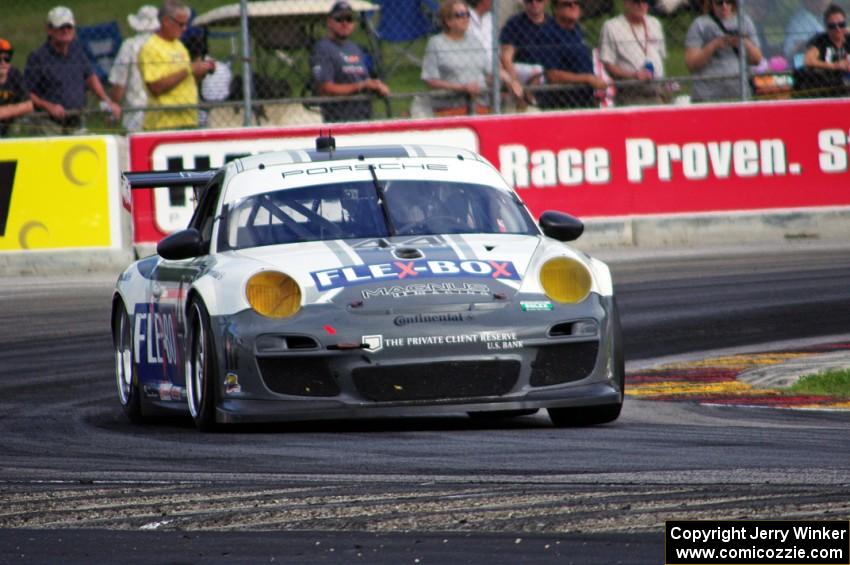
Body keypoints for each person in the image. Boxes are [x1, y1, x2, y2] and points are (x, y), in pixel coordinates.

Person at [24, 6, 121, 134]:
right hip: (49, 123)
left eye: (69, 27)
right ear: (49, 30)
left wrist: (107, 100)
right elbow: (26, 93)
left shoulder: (77, 50)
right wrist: (49, 106)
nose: (65, 31)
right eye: (60, 27)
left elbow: (90, 76)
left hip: (77, 120)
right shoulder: (38, 58)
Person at [421, 0, 522, 116]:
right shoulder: (436, 43)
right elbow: (430, 80)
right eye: (459, 15)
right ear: (448, 21)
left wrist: (511, 81)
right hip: (450, 107)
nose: (465, 18)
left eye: (467, 14)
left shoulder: (474, 41)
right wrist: (462, 88)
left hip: (480, 104)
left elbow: (491, 68)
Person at [138, 0, 215, 130]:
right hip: (164, 123)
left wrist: (200, 72)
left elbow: (187, 81)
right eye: (181, 24)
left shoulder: (179, 46)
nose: (185, 28)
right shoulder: (151, 48)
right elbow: (156, 87)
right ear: (166, 21)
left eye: (186, 24)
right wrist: (189, 69)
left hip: (188, 119)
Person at [310, 1, 390, 123]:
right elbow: (326, 88)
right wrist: (360, 86)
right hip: (338, 120)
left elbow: (365, 80)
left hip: (364, 117)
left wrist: (376, 86)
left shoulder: (356, 48)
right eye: (339, 19)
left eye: (349, 19)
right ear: (329, 22)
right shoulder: (323, 49)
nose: (345, 23)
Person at [684, 0, 762, 103]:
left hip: (740, 94)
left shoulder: (744, 21)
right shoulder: (699, 25)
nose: (724, 6)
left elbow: (757, 59)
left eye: (728, 2)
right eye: (719, 3)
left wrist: (743, 43)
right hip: (707, 96)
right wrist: (713, 46)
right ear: (712, 4)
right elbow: (691, 64)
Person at [538, 0, 605, 109]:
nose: (573, 7)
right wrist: (587, 79)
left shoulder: (577, 30)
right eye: (567, 4)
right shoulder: (549, 33)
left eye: (577, 3)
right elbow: (552, 75)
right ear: (556, 9)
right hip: (561, 103)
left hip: (585, 100)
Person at [599, 0, 668, 106]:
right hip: (631, 95)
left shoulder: (654, 23)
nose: (641, 5)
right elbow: (608, 65)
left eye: (645, 1)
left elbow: (661, 56)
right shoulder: (612, 26)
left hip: (657, 93)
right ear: (626, 3)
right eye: (636, 2)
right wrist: (634, 75)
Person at [109, 5, 159, 132]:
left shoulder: (129, 45)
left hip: (135, 113)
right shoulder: (163, 46)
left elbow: (119, 83)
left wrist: (113, 106)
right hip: (161, 112)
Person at [499, 0, 554, 103]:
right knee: (537, 70)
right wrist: (515, 82)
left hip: (549, 77)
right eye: (529, 1)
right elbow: (506, 58)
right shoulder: (514, 23)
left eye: (539, 0)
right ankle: (527, 98)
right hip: (524, 75)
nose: (534, 3)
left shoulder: (553, 23)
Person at [800, 4, 850, 96]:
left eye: (841, 24)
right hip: (826, 86)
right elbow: (808, 60)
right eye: (832, 26)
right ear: (826, 27)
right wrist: (835, 65)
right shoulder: (820, 40)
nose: (838, 29)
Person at [0, 38, 33, 137]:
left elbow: (29, 105)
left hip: (7, 125)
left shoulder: (14, 74)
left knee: (22, 123)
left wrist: (4, 111)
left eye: (7, 59)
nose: (3, 63)